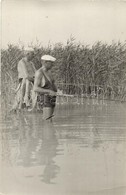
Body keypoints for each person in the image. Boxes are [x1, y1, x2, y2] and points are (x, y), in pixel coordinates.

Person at [33, 55, 57, 120]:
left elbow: (52, 84)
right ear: (45, 62)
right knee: (47, 120)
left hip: (52, 98)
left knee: (50, 119)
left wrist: (57, 90)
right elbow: (35, 88)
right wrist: (49, 91)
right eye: (51, 63)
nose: (52, 65)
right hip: (44, 99)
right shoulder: (39, 73)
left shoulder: (49, 72)